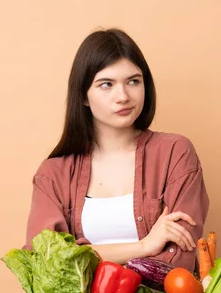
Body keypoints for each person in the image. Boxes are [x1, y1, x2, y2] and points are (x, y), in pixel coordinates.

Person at [22, 28, 209, 273]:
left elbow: (179, 259)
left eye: (133, 81)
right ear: (84, 96)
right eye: (106, 84)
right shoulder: (53, 173)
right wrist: (143, 247)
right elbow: (45, 263)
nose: (123, 96)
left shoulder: (175, 154)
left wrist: (87, 261)